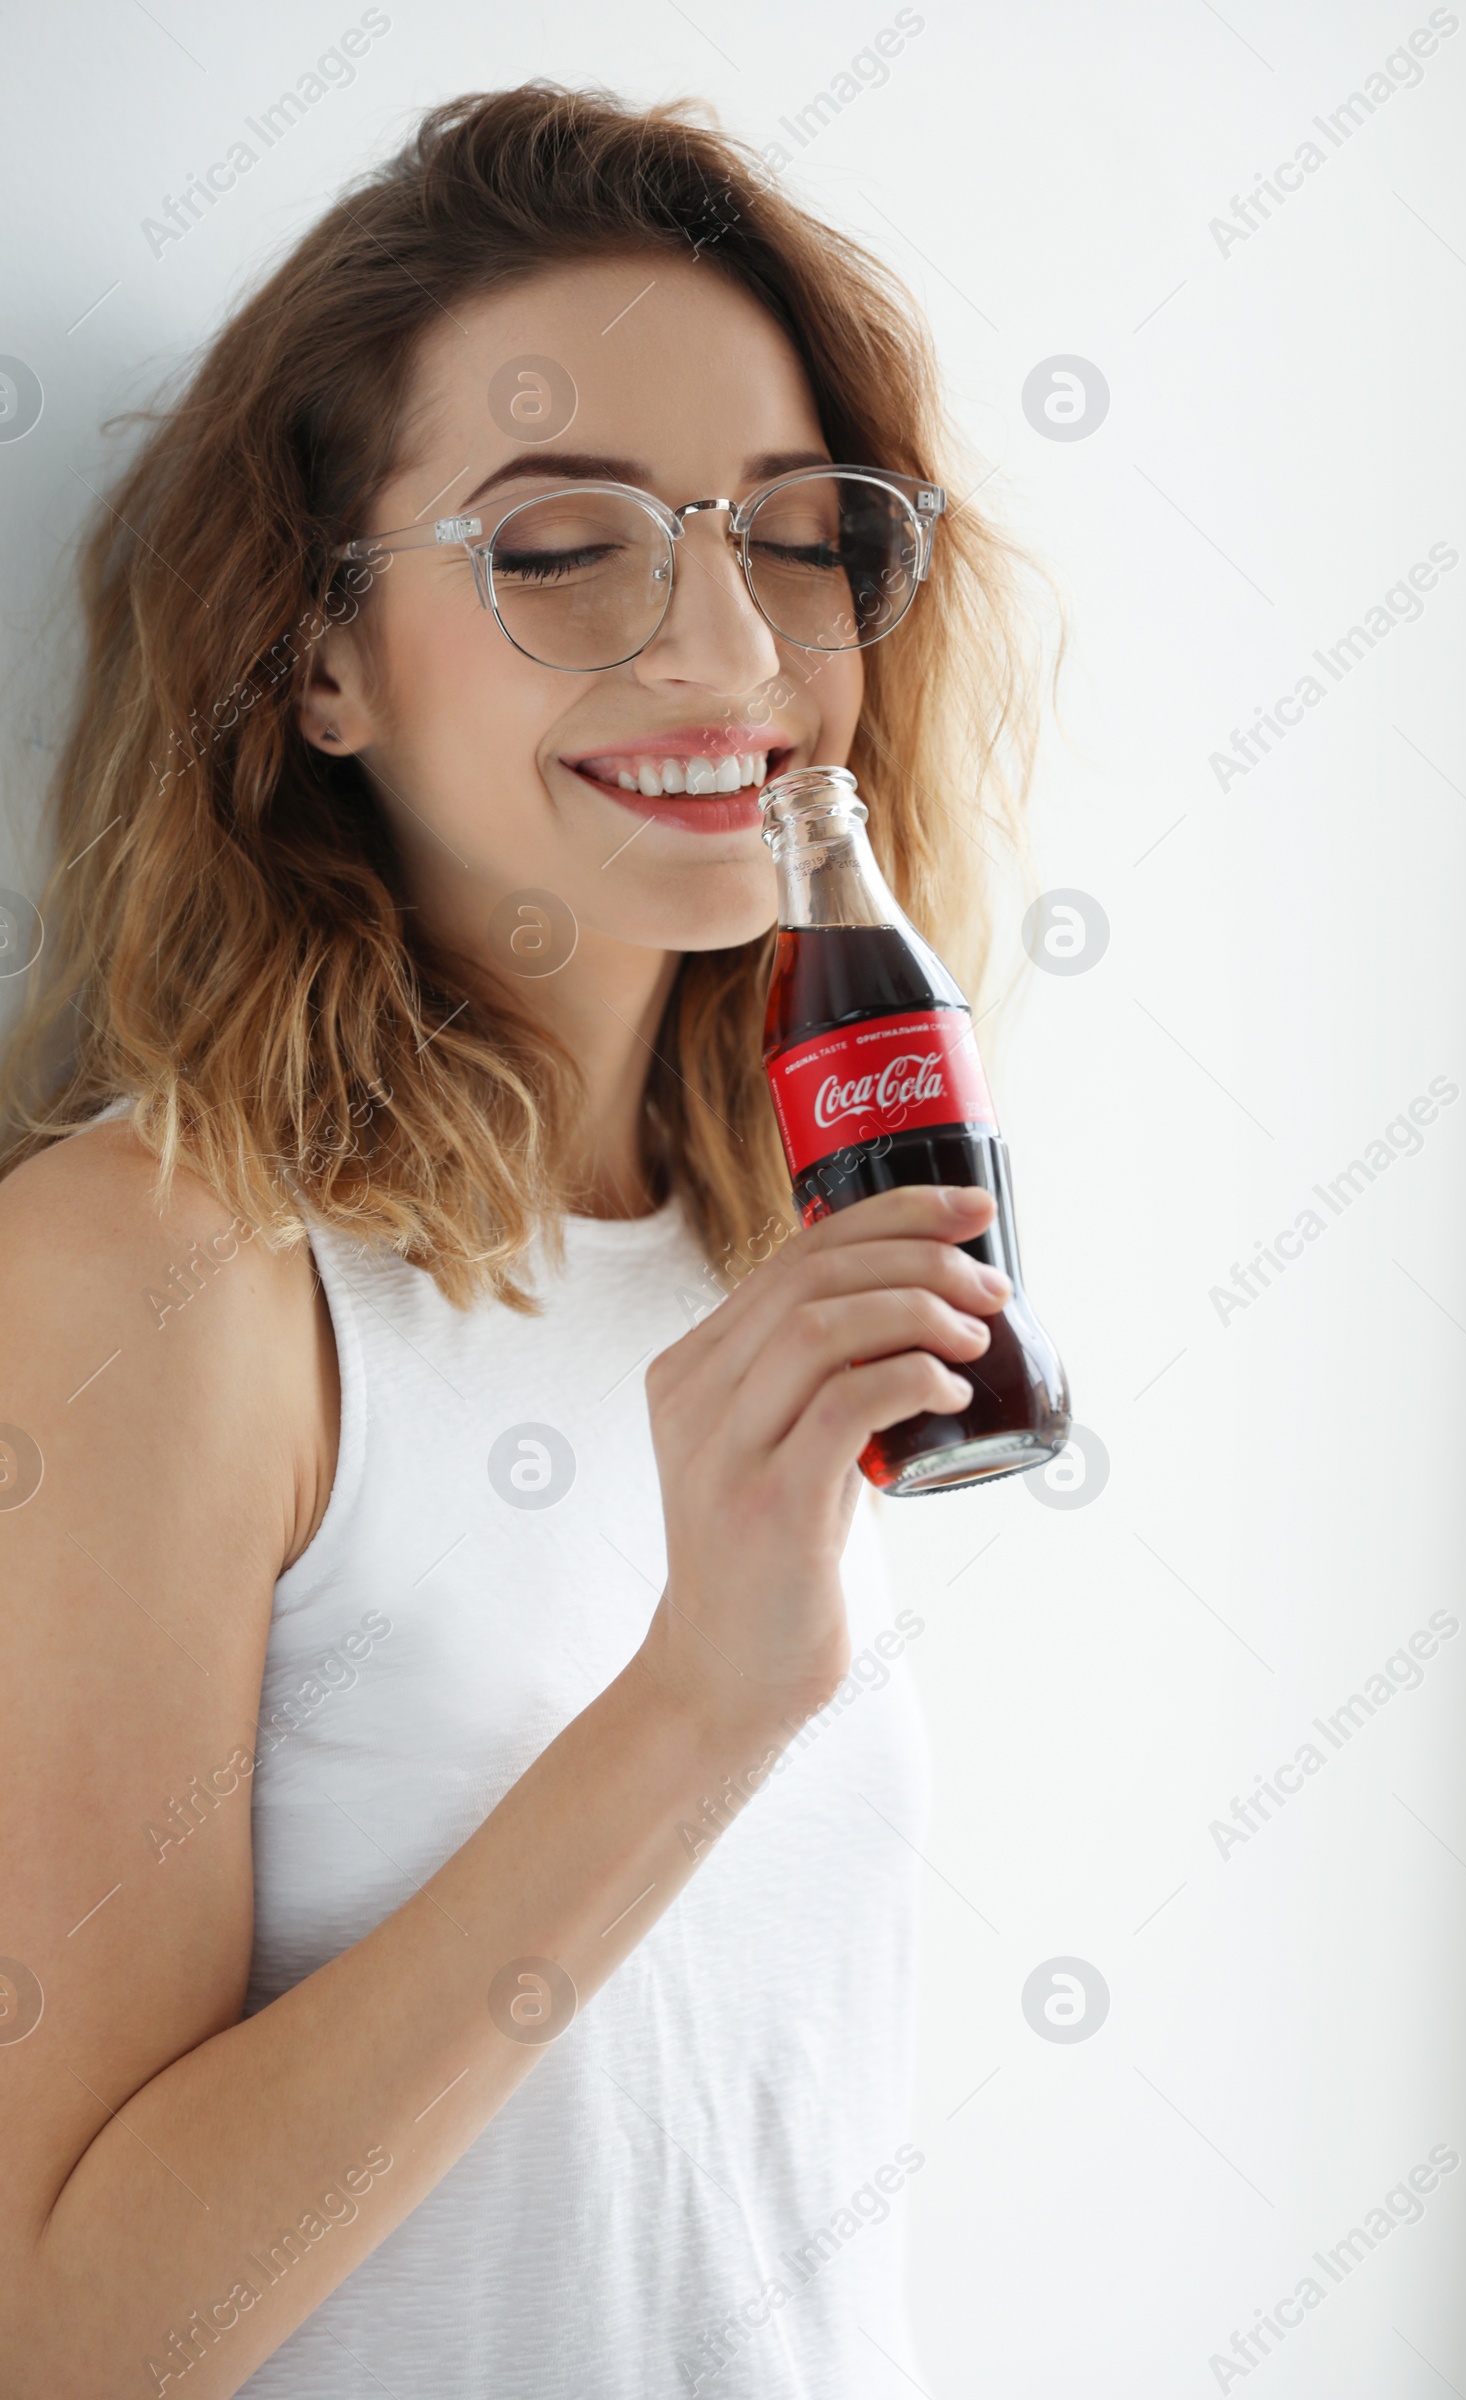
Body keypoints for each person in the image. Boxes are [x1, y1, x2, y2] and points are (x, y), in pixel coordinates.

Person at [0, 82, 1053, 2400]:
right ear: (317, 661)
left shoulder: (764, 1235)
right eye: (559, 546)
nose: (720, 644)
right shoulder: (158, 1279)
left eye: (795, 537)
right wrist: (698, 1702)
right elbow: (66, 2333)